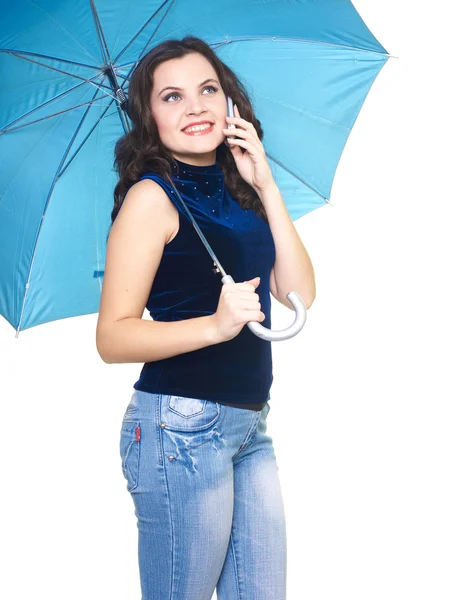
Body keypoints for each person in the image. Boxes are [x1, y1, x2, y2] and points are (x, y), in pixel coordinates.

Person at [96, 35, 314, 600]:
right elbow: (112, 337)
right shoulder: (153, 198)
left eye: (208, 89)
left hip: (248, 427)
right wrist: (214, 326)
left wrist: (266, 183)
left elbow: (300, 295)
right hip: (178, 428)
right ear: (149, 118)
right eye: (171, 97)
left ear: (230, 103)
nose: (195, 106)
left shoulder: (240, 189)